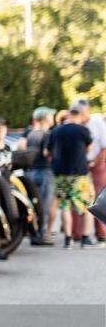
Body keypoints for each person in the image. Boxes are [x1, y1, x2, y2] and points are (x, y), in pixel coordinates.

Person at [47, 106, 103, 249]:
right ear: (80, 116)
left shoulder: (56, 130)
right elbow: (89, 148)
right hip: (80, 175)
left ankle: (67, 240)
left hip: (61, 175)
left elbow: (48, 152)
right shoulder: (82, 130)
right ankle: (85, 239)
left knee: (65, 206)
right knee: (87, 206)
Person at [73, 99, 106, 243]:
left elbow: (104, 147)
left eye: (83, 112)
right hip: (79, 166)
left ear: (88, 111)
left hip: (97, 163)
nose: (81, 116)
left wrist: (95, 163)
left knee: (99, 198)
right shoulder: (74, 123)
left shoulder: (97, 122)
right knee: (78, 199)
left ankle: (101, 232)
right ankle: (77, 233)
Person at [25, 107, 56, 245]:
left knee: (33, 204)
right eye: (51, 116)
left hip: (31, 171)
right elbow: (46, 154)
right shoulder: (47, 135)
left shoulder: (31, 134)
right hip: (45, 171)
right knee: (44, 205)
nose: (52, 118)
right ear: (45, 118)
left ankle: (33, 233)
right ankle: (42, 235)